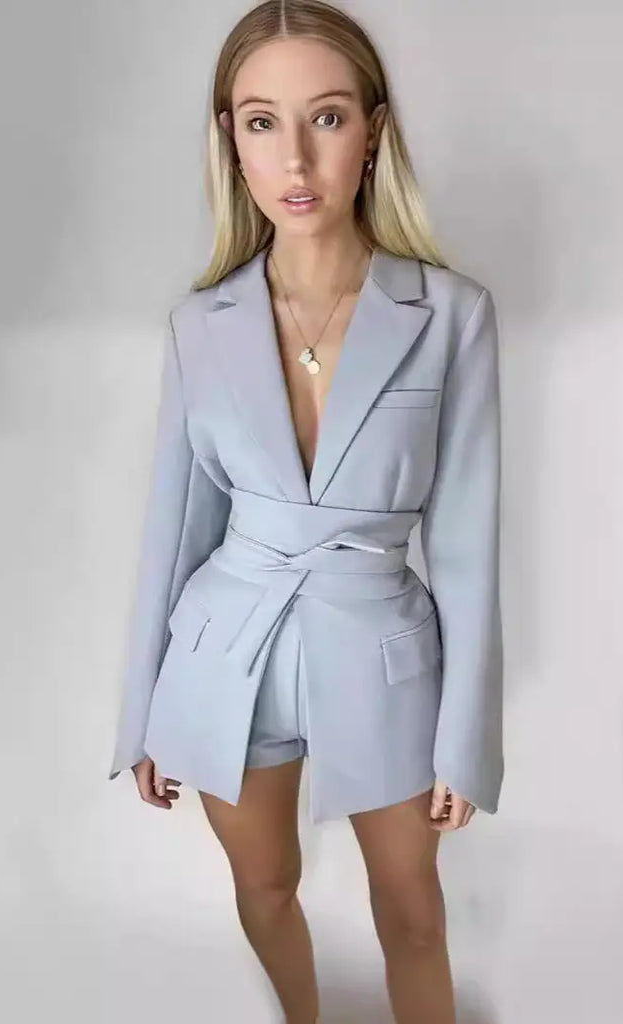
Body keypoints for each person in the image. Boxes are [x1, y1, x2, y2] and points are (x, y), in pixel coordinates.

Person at [108, 2, 503, 1022]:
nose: (295, 156)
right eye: (261, 121)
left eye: (326, 117)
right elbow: (175, 527)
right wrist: (141, 714)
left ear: (372, 132)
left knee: (413, 916)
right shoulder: (199, 325)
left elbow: (466, 544)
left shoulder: (450, 315)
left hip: (383, 649)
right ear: (230, 141)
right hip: (222, 652)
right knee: (264, 889)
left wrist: (466, 735)